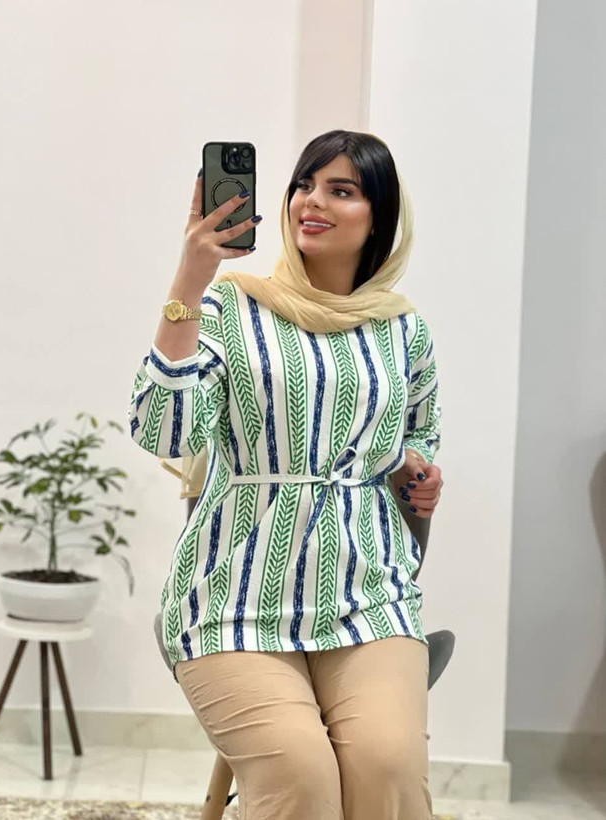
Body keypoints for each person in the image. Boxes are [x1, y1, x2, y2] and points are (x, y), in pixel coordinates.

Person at [129, 130, 443, 820]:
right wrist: (190, 277)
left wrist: (417, 470)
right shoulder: (229, 307)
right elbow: (163, 433)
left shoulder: (403, 329)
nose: (312, 201)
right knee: (300, 776)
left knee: (387, 768)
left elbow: (418, 432)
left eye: (340, 190)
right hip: (234, 595)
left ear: (379, 216)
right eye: (304, 184)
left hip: (367, 594)